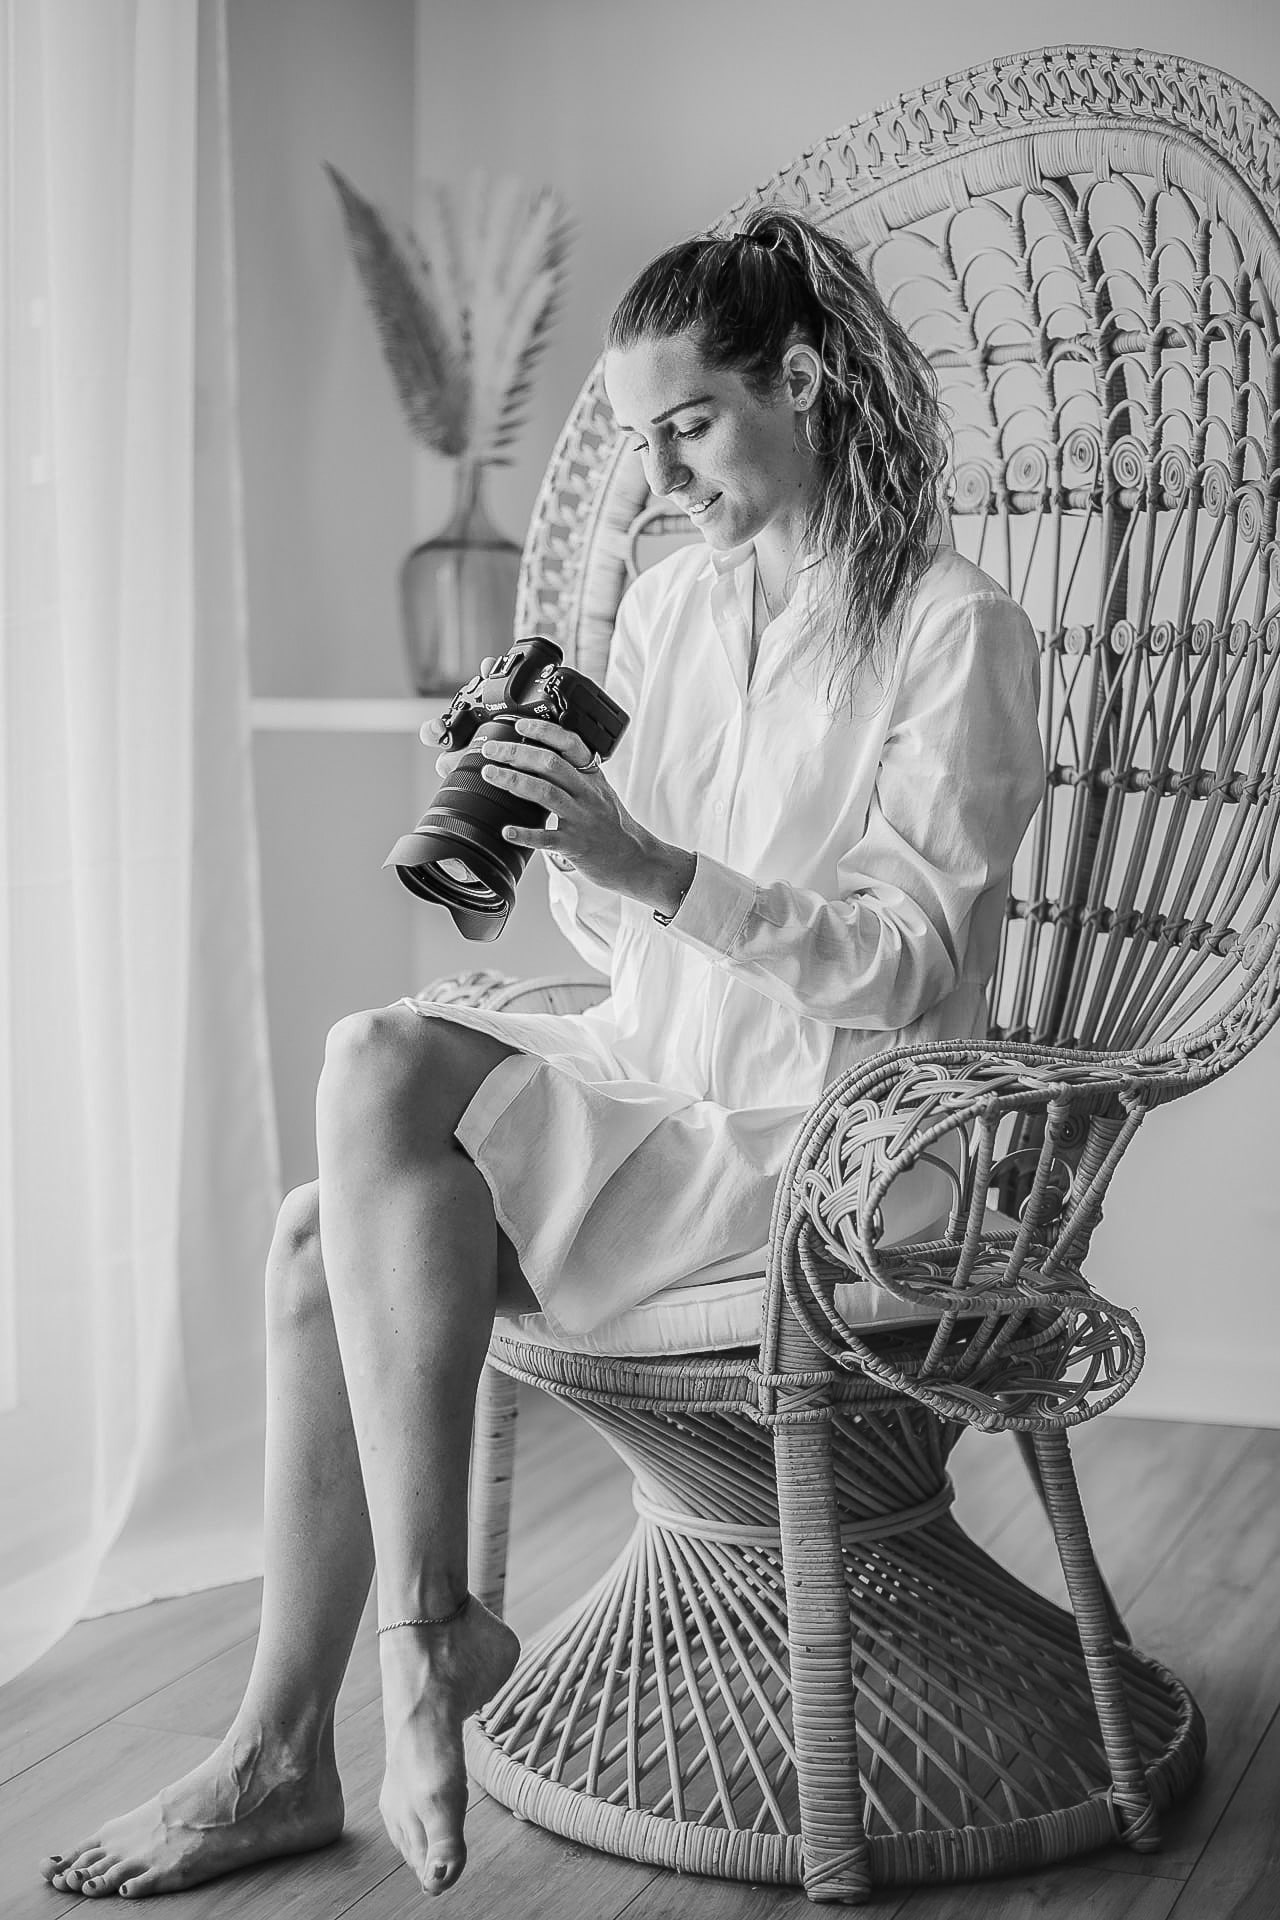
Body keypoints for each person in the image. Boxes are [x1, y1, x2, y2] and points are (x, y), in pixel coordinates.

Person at [38, 208, 1043, 1902]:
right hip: (659, 1066)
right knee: (371, 1080)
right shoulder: (668, 597)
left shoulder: (954, 629)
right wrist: (557, 841)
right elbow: (616, 950)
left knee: (316, 1234)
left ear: (801, 380)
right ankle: (370, 1684)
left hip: (838, 1137)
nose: (659, 474)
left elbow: (907, 966)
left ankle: (325, 1721)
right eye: (643, 437)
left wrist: (659, 868)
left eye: (688, 426)